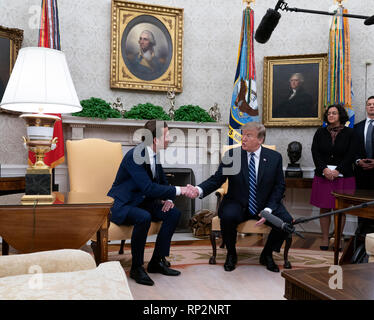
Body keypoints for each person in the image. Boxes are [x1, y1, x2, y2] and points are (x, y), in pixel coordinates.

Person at [186, 122, 293, 273]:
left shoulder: (274, 157)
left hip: (265, 204)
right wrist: (198, 189)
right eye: (243, 135)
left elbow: (279, 186)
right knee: (228, 216)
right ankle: (231, 253)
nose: (243, 139)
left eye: (248, 136)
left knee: (286, 222)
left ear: (260, 139)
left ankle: (267, 254)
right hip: (237, 202)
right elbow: (217, 179)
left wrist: (268, 209)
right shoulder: (233, 155)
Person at [107, 120, 193, 286]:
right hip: (124, 204)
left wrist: (168, 199)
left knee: (173, 213)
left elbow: (161, 182)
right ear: (155, 140)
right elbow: (148, 188)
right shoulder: (135, 155)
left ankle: (157, 261)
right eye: (167, 136)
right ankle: (136, 268)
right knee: (144, 217)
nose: (169, 139)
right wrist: (180, 190)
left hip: (141, 201)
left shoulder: (154, 155)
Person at [310, 104, 356, 250]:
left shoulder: (350, 133)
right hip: (323, 176)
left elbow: (351, 153)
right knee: (324, 208)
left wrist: (338, 170)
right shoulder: (320, 132)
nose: (331, 115)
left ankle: (338, 238)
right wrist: (323, 169)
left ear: (340, 115)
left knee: (340, 209)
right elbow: (315, 152)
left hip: (343, 176)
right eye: (329, 113)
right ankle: (324, 238)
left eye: (334, 113)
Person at [353, 96, 374, 235]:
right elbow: (352, 150)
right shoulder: (357, 127)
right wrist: (358, 160)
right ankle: (361, 235)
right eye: (369, 104)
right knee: (362, 206)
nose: (372, 106)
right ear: (366, 107)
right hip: (361, 174)